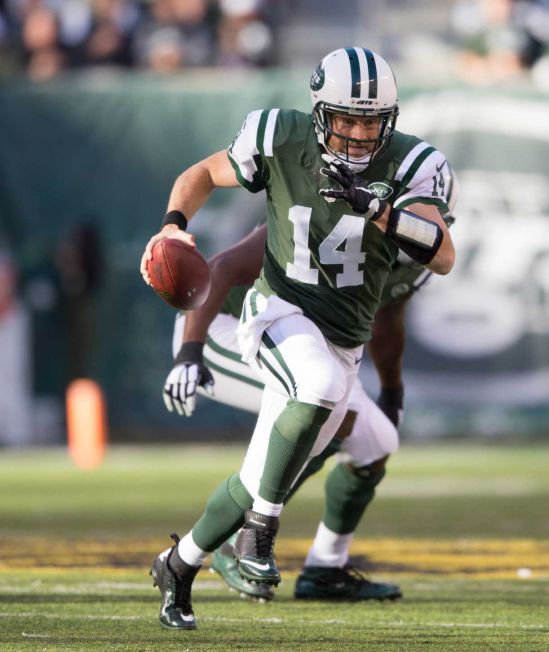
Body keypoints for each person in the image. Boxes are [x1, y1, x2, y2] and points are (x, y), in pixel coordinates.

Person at [140, 46, 456, 629]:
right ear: (319, 113)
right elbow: (201, 175)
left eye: (371, 121)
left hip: (343, 339)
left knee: (268, 466)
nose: (360, 134)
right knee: (312, 386)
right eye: (346, 119)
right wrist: (174, 228)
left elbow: (442, 255)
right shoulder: (280, 137)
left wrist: (378, 210)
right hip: (274, 310)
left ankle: (178, 565)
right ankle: (260, 535)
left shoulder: (412, 166)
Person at [163, 216, 448, 602]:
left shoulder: (416, 255)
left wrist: (393, 391)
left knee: (377, 442)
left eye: (435, 215)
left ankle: (325, 568)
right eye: (420, 210)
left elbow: (387, 320)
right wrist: (189, 352)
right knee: (329, 411)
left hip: (310, 347)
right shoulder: (323, 210)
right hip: (228, 329)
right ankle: (233, 542)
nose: (427, 224)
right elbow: (223, 267)